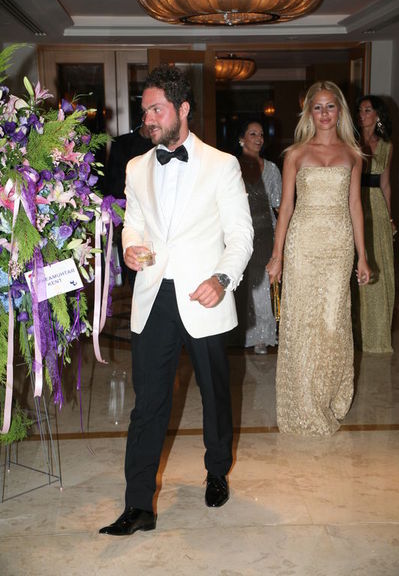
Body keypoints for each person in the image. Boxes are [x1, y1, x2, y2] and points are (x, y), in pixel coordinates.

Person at [99, 65, 253, 536]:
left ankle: (216, 471)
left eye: (156, 109)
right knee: (148, 402)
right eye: (145, 110)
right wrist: (130, 246)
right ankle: (138, 505)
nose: (147, 119)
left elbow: (241, 236)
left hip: (204, 296)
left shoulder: (222, 164)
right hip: (154, 297)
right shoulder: (136, 166)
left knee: (214, 394)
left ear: (183, 109)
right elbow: (134, 224)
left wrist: (222, 279)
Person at [266, 81, 371, 436]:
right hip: (303, 244)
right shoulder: (296, 154)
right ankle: (304, 403)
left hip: (339, 245)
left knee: (332, 322)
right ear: (309, 112)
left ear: (340, 111)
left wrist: (362, 256)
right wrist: (277, 255)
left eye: (330, 106)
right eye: (318, 107)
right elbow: (286, 208)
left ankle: (327, 397)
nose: (324, 113)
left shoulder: (353, 154)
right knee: (302, 321)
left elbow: (355, 206)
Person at [232, 120, 281, 354]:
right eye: (253, 134)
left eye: (261, 134)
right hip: (238, 232)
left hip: (265, 233)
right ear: (242, 139)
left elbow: (280, 205)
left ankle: (262, 335)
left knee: (260, 286)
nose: (259, 138)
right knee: (240, 283)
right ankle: (240, 333)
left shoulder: (271, 169)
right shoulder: (230, 166)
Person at [351, 95, 395, 353]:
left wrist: (389, 217)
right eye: (360, 110)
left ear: (377, 115)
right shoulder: (350, 141)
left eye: (367, 110)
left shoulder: (386, 146)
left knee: (379, 263)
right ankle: (355, 334)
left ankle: (376, 335)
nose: (362, 114)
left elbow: (386, 184)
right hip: (354, 203)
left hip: (376, 206)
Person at [105, 124, 154, 289]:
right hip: (128, 211)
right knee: (135, 266)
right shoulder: (122, 144)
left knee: (149, 270)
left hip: (154, 217)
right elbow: (112, 182)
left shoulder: (163, 146)